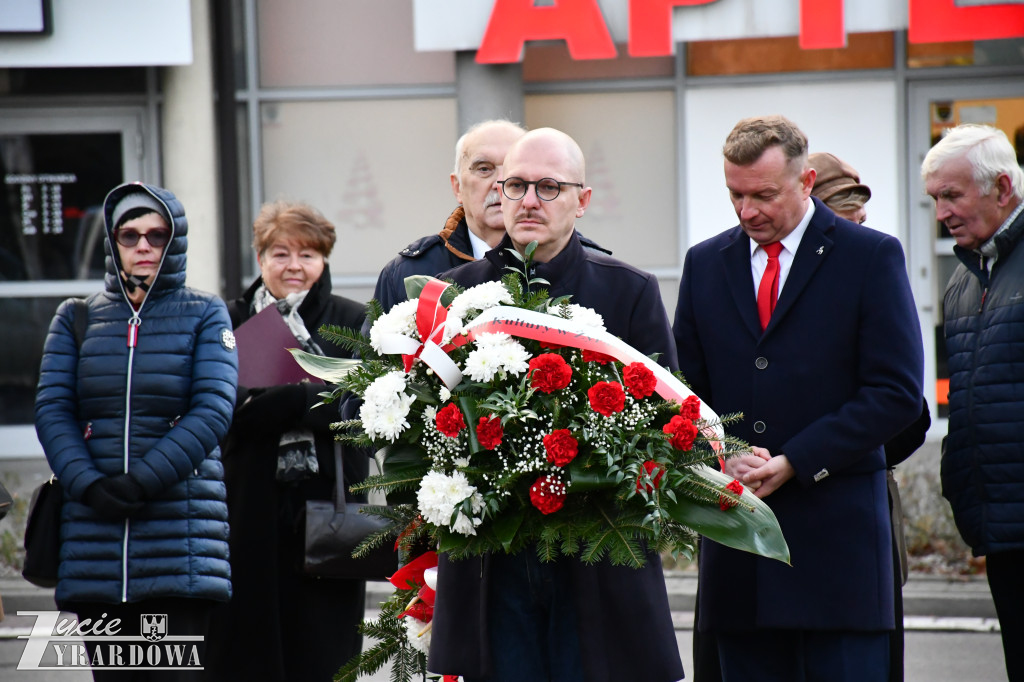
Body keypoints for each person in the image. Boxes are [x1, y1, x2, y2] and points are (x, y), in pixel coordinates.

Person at [426, 127, 683, 682]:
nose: (527, 201)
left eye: (548, 187)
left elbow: (667, 426)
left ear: (581, 201)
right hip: (492, 557)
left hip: (596, 554)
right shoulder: (452, 292)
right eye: (515, 185)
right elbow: (429, 421)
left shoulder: (629, 291)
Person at [672, 115, 924, 682]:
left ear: (806, 181)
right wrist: (721, 455)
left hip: (839, 555)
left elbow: (897, 393)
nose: (747, 211)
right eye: (735, 195)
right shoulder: (705, 264)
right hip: (742, 554)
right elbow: (687, 391)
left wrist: (797, 460)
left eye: (764, 194)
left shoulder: (870, 257)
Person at [34, 182, 238, 680]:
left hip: (181, 541)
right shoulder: (76, 317)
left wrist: (141, 481)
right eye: (130, 235)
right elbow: (52, 408)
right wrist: (88, 484)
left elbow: (213, 408)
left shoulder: (205, 312)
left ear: (176, 241)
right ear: (112, 240)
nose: (143, 245)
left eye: (157, 234)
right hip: (95, 543)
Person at [204, 201, 367, 681]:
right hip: (244, 504)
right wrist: (308, 395)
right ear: (260, 258)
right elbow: (218, 408)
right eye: (280, 253)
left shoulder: (352, 320)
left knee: (324, 648)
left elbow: (362, 411)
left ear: (325, 260)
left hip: (328, 506)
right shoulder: (225, 319)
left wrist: (280, 402)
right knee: (246, 647)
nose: (294, 266)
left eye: (308, 255)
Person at [921, 123, 1024, 682]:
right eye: (935, 198)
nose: (940, 213)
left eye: (952, 195)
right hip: (1001, 524)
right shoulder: (965, 281)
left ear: (1002, 188)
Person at [371, 119, 527, 313]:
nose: (500, 183)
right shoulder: (406, 273)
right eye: (484, 169)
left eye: (514, 169)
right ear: (458, 187)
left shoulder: (567, 260)